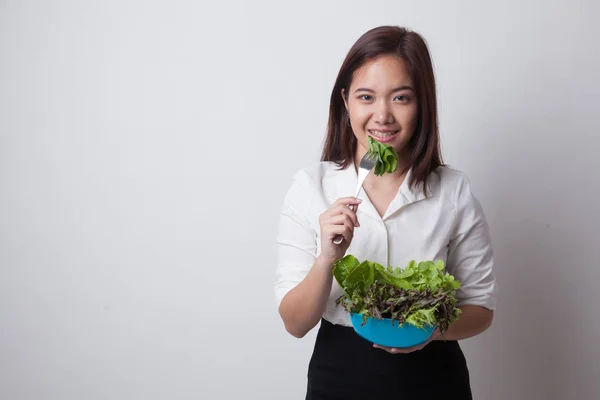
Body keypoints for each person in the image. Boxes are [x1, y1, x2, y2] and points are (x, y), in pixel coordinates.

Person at [274, 25, 497, 400]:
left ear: (422, 104)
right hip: (340, 376)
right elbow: (295, 324)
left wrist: (426, 330)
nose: (383, 116)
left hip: (434, 378)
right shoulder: (310, 187)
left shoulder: (453, 191)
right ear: (345, 102)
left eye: (401, 98)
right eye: (366, 97)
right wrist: (327, 258)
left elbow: (480, 308)